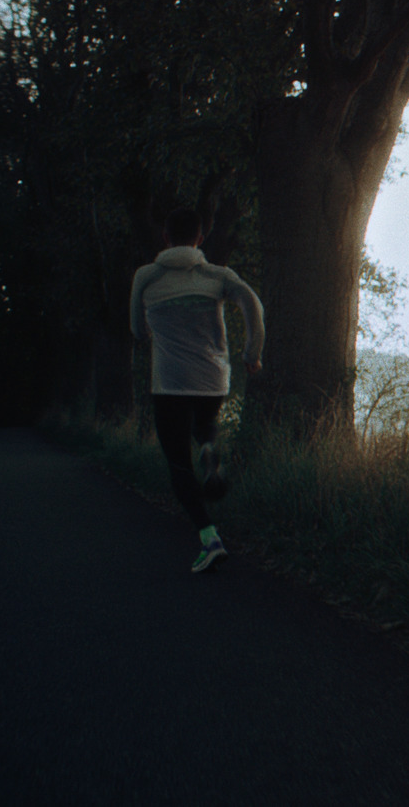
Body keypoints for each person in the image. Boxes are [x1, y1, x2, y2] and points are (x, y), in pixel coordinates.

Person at [129, 208, 265, 573]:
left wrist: (148, 331)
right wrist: (252, 353)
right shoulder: (218, 276)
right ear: (201, 239)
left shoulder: (146, 276)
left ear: (165, 237)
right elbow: (251, 302)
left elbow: (137, 330)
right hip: (213, 379)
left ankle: (209, 539)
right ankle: (208, 447)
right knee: (204, 424)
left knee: (177, 463)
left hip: (170, 382)